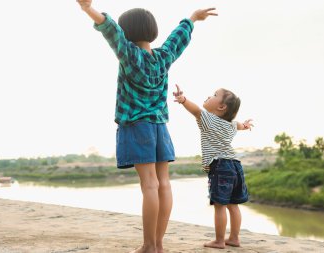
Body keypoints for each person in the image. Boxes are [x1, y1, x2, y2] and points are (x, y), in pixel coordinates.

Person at [76, 1, 217, 252]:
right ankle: (158, 244)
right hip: (160, 127)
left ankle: (149, 246)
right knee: (164, 184)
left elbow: (109, 30)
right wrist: (192, 18)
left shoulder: (130, 55)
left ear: (127, 32)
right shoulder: (163, 58)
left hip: (137, 126)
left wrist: (88, 9)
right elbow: (177, 40)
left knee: (149, 185)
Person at [173, 84, 253, 249]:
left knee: (219, 205)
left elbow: (195, 110)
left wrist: (183, 100)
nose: (209, 96)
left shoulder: (208, 119)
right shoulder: (231, 125)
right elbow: (238, 125)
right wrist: (244, 126)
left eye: (214, 95)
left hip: (220, 165)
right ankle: (234, 238)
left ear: (221, 106)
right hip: (236, 165)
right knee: (233, 205)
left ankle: (219, 240)